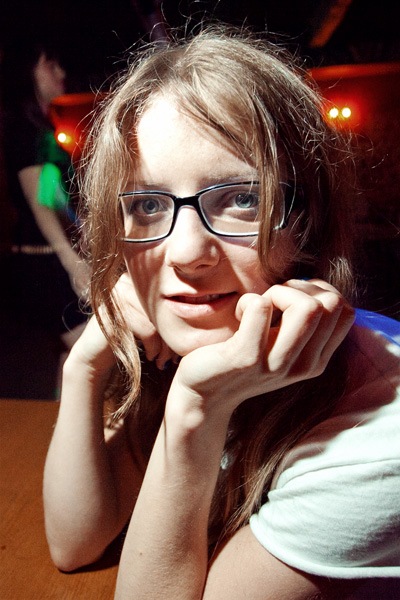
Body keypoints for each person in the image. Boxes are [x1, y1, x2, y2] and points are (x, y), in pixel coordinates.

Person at [43, 27, 400, 599]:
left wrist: (197, 407)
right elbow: (74, 544)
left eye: (242, 198)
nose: (186, 253)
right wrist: (86, 366)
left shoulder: (380, 444)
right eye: (148, 203)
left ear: (307, 223)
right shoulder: (190, 344)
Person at [1, 38, 89, 394]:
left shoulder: (42, 130)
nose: (61, 72)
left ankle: (62, 424)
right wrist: (73, 261)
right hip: (42, 264)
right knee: (93, 349)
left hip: (49, 260)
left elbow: (51, 195)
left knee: (74, 359)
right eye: (50, 65)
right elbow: (39, 204)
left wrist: (82, 226)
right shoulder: (24, 131)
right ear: (28, 74)